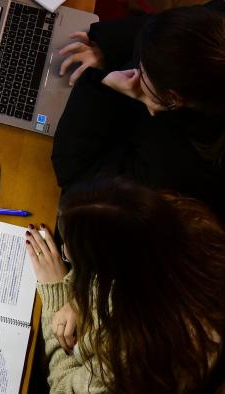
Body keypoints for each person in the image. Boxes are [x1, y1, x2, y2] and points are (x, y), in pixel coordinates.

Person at [23, 178, 225, 393]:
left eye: (71, 254)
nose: (63, 252)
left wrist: (57, 294)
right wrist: (82, 299)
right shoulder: (185, 221)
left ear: (107, 271)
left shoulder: (134, 357)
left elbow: (62, 388)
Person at [51, 1, 225, 219]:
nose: (134, 67)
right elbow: (160, 30)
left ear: (174, 99)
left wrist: (101, 82)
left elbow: (76, 177)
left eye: (141, 69)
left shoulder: (179, 166)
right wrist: (105, 48)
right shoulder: (215, 28)